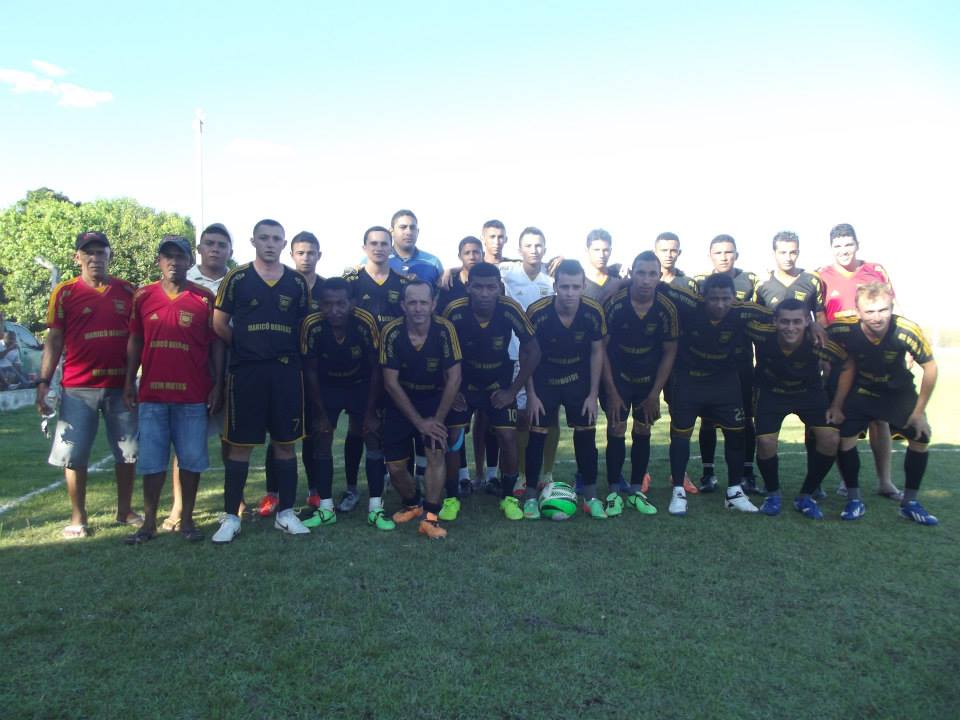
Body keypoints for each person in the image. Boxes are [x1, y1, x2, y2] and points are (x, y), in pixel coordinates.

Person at [211, 219, 311, 543]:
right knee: (240, 446)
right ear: (253, 241)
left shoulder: (296, 282)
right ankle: (230, 518)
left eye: (276, 239)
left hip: (285, 373)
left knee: (285, 444)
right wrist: (244, 346)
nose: (270, 243)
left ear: (284, 245)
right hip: (247, 372)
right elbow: (218, 323)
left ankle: (286, 513)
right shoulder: (236, 278)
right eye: (264, 238)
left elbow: (303, 328)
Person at [36, 231, 140, 539]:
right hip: (78, 389)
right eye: (89, 252)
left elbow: (138, 338)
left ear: (110, 255)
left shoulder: (129, 291)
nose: (95, 258)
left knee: (128, 451)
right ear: (77, 257)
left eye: (101, 252)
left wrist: (134, 380)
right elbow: (53, 340)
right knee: (74, 454)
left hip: (120, 387)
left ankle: (125, 511)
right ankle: (78, 517)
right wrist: (43, 382)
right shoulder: (65, 293)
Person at [122, 236, 223, 543]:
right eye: (168, 256)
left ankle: (187, 520)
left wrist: (217, 383)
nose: (174, 262)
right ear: (159, 261)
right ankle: (148, 522)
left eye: (180, 257)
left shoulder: (204, 298)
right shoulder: (143, 296)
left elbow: (216, 343)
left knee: (192, 461)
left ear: (190, 263)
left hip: (193, 396)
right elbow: (135, 340)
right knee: (152, 463)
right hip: (152, 396)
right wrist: (129, 380)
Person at [826, 282, 939, 525]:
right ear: (858, 311)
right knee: (844, 438)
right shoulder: (843, 328)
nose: (877, 317)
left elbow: (930, 367)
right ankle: (854, 499)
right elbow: (829, 345)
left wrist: (919, 412)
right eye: (870, 311)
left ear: (892, 307)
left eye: (883, 310)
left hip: (897, 391)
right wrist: (836, 403)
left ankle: (910, 503)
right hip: (863, 390)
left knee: (920, 436)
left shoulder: (907, 330)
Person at [661, 273, 773, 516]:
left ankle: (734, 491)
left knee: (736, 434)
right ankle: (678, 491)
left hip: (725, 382)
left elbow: (779, 314)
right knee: (681, 435)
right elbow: (658, 287)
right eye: (714, 299)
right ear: (703, 297)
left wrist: (814, 323)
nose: (720, 304)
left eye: (725, 299)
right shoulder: (690, 305)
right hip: (690, 380)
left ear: (734, 297)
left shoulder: (742, 311)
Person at [443, 262, 541, 520]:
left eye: (491, 287)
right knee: (453, 437)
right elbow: (438, 349)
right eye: (478, 287)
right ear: (468, 287)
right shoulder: (454, 311)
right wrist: (451, 391)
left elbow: (534, 350)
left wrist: (513, 390)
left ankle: (508, 497)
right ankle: (451, 498)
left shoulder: (509, 308)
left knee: (508, 438)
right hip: (464, 385)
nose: (485, 293)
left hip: (499, 385)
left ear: (499, 288)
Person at [301, 277, 393, 530]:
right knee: (321, 437)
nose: (335, 310)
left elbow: (377, 368)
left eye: (341, 304)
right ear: (320, 304)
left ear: (352, 303)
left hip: (361, 384)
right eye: (328, 304)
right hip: (327, 387)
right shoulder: (312, 324)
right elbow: (310, 371)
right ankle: (326, 508)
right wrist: (319, 413)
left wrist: (372, 411)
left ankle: (375, 508)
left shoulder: (365, 321)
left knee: (372, 435)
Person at [817, 223, 900, 500]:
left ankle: (884, 481)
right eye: (838, 246)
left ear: (857, 245)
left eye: (848, 244)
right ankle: (845, 481)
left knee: (879, 419)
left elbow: (892, 313)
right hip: (839, 361)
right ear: (831, 249)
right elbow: (820, 320)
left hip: (873, 358)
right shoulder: (822, 276)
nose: (843, 250)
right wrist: (826, 359)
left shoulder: (874, 270)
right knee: (844, 419)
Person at [380, 280, 462, 539]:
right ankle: (414, 504)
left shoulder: (445, 329)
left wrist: (436, 421)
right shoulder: (391, 332)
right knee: (395, 467)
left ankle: (431, 517)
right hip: (401, 401)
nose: (418, 308)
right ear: (403, 305)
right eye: (412, 302)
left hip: (434, 400)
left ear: (433, 304)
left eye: (423, 302)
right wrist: (419, 423)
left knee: (435, 451)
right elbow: (390, 383)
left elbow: (455, 377)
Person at [525, 260, 607, 519]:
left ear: (583, 286)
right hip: (544, 378)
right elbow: (527, 353)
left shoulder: (593, 311)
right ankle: (529, 497)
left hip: (578, 379)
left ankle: (591, 496)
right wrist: (532, 395)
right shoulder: (537, 311)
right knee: (536, 436)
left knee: (585, 436)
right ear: (555, 286)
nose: (570, 292)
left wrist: (593, 394)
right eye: (564, 286)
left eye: (575, 286)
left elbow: (597, 352)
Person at [165, 222, 233, 532]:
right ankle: (179, 505)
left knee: (232, 439)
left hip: (234, 372)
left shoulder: (240, 280)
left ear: (230, 250)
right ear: (200, 250)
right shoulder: (182, 281)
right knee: (186, 443)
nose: (216, 249)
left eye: (222, 244)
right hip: (191, 374)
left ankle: (236, 499)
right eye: (210, 244)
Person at [749, 299, 844, 517]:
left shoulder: (817, 339)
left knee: (830, 438)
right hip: (771, 392)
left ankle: (806, 496)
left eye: (796, 322)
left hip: (808, 393)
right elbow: (737, 316)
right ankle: (772, 494)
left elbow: (846, 364)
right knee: (765, 441)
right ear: (775, 321)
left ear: (806, 322)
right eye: (784, 322)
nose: (790, 327)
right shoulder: (762, 333)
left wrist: (837, 404)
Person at [601, 251, 678, 516]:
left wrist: (655, 393)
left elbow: (670, 352)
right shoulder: (616, 304)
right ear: (631, 273)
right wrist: (610, 391)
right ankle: (613, 487)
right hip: (618, 378)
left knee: (643, 429)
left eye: (652, 274)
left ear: (659, 276)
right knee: (616, 427)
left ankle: (635, 488)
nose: (646, 280)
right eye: (641, 273)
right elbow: (601, 349)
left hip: (648, 381)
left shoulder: (666, 308)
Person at [258, 231, 327, 515]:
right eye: (301, 252)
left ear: (319, 255)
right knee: (278, 433)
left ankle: (315, 491)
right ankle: (271, 493)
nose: (306, 257)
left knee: (312, 433)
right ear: (292, 255)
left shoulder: (326, 289)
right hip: (284, 368)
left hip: (316, 372)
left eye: (311, 252)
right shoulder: (284, 284)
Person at [694, 235, 762, 494]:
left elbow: (763, 316)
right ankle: (708, 473)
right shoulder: (700, 283)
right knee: (708, 421)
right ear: (710, 255)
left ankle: (747, 473)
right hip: (710, 365)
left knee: (746, 420)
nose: (723, 257)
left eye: (728, 252)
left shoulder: (752, 281)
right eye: (718, 252)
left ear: (737, 254)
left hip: (742, 364)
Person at [499, 227, 562, 494]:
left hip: (546, 359)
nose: (534, 250)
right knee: (522, 417)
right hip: (515, 356)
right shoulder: (507, 274)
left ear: (545, 250)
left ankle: (547, 473)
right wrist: (450, 271)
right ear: (519, 250)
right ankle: (523, 474)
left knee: (550, 417)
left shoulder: (551, 283)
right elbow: (474, 266)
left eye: (539, 245)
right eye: (528, 245)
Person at [756, 231, 825, 314]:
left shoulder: (812, 281)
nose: (788, 258)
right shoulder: (762, 284)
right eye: (783, 253)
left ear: (798, 253)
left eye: (792, 253)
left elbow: (820, 316)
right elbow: (756, 318)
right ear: (774, 254)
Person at [387, 209, 443, 285]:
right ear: (391, 231)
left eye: (412, 228)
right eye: (403, 227)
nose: (409, 232)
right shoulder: (378, 260)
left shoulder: (433, 263)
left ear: (418, 232)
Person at [437, 236, 483, 314]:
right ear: (459, 256)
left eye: (476, 252)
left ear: (483, 254)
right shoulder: (448, 283)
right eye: (467, 253)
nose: (472, 257)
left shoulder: (491, 282)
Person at [582, 228, 624, 303]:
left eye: (605, 250)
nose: (601, 255)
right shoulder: (578, 283)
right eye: (596, 250)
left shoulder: (619, 275)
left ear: (611, 251)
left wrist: (623, 282)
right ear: (587, 250)